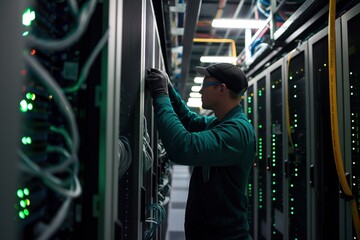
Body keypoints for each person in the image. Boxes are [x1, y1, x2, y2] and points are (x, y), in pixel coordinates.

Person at [145, 63, 256, 240]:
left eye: (205, 85)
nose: (200, 91)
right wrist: (169, 90)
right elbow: (189, 121)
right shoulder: (220, 123)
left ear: (221, 89)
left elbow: (183, 147)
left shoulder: (237, 132)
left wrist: (160, 95)